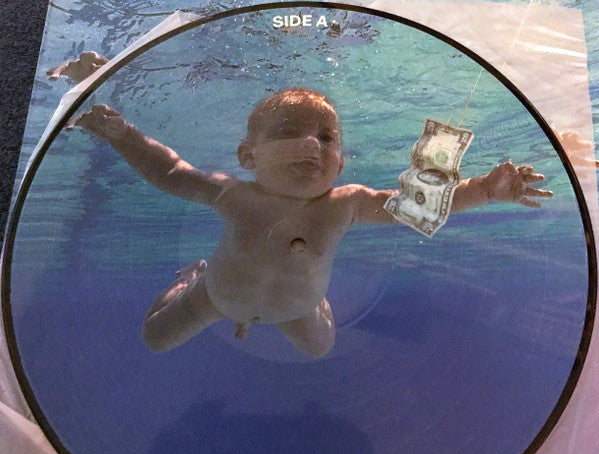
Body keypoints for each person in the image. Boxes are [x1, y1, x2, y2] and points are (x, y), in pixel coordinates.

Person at [49, 53, 551, 357]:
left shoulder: (346, 203)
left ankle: (316, 304)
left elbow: (414, 205)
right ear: (248, 156)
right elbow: (170, 172)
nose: (311, 144)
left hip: (297, 308)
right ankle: (191, 275)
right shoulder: (234, 195)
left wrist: (485, 189)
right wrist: (122, 134)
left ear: (340, 162)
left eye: (326, 138)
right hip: (215, 297)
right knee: (154, 338)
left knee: (320, 348)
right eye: (289, 132)